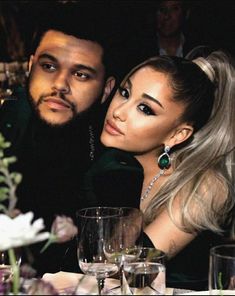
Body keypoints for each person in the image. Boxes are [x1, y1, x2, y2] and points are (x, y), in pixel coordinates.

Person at [81, 50, 235, 290]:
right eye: (124, 93)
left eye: (145, 109)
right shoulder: (106, 162)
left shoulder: (206, 185)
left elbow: (131, 272)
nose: (118, 112)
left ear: (177, 134)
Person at [0, 2, 120, 276]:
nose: (60, 84)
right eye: (49, 66)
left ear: (106, 89)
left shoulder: (110, 152)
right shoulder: (10, 129)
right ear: (30, 67)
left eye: (81, 74)